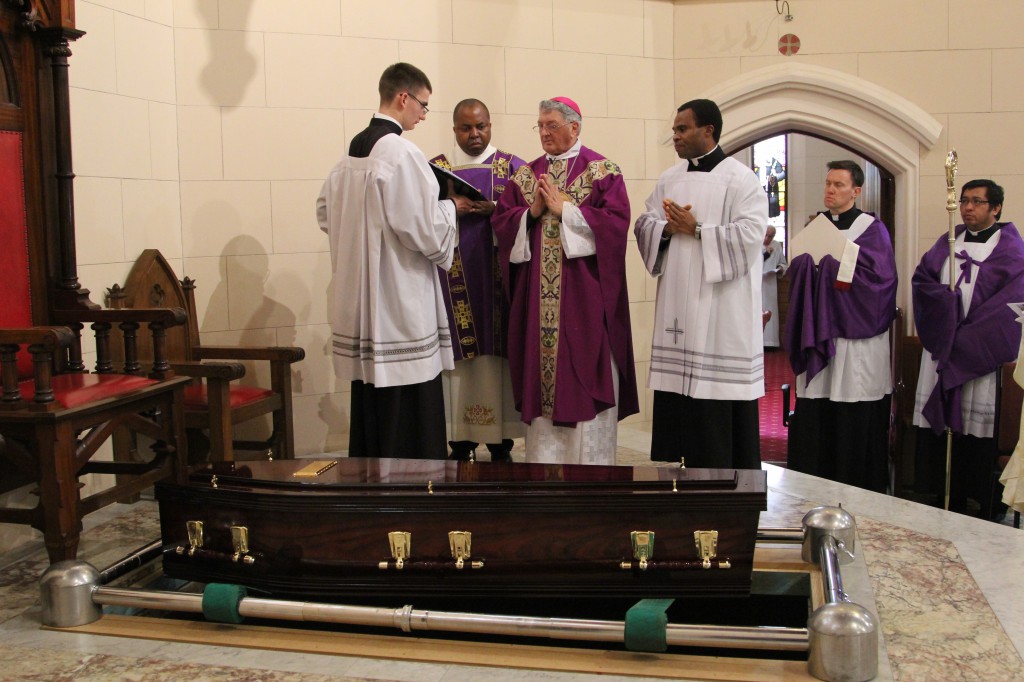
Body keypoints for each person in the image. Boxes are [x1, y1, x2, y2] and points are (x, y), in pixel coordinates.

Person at [316, 62, 473, 459]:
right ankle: (413, 486)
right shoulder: (401, 151)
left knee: (372, 397)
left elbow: (323, 212)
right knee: (408, 400)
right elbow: (420, 227)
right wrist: (452, 208)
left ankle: (370, 479)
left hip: (362, 304)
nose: (422, 115)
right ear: (403, 97)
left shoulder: (353, 149)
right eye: (422, 105)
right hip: (398, 300)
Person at [491, 97, 638, 464]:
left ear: (575, 127)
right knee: (543, 398)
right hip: (538, 309)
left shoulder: (602, 171)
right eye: (539, 125)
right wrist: (531, 213)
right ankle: (544, 480)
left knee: (587, 376)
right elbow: (503, 225)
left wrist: (566, 211)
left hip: (586, 305)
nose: (543, 132)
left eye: (551, 125)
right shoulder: (527, 176)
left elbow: (617, 227)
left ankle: (591, 478)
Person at [634, 98, 767, 469]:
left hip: (720, 309)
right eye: (674, 130)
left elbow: (751, 236)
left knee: (716, 420)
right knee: (680, 409)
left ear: (708, 130)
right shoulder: (669, 178)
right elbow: (644, 223)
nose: (674, 136)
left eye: (682, 129)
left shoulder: (741, 179)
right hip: (677, 307)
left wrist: (698, 230)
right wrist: (664, 227)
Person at [784, 160, 898, 493]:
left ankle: (855, 485)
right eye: (828, 183)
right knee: (818, 410)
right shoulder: (816, 226)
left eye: (838, 185)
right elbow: (796, 270)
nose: (830, 190)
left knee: (852, 413)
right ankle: (815, 484)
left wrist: (833, 265)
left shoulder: (872, 230)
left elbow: (880, 282)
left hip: (855, 341)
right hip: (820, 333)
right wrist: (808, 265)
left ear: (856, 191)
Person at [912, 179, 1024, 516]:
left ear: (996, 208)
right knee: (942, 432)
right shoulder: (948, 241)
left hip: (977, 358)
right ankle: (940, 495)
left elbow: (1010, 304)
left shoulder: (1012, 250)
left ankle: (980, 500)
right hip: (941, 351)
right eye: (964, 201)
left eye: (977, 202)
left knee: (975, 430)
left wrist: (966, 342)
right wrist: (941, 310)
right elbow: (922, 281)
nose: (968, 208)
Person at [428, 99, 527, 462]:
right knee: (459, 360)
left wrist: (496, 211)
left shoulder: (514, 168)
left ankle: (502, 439)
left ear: (491, 125)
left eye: (481, 126)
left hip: (498, 283)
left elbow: (531, 216)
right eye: (466, 128)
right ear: (454, 129)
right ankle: (460, 439)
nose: (475, 134)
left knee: (497, 358)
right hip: (452, 280)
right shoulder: (436, 169)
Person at [761, 226, 787, 347]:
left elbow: (783, 262)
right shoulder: (755, 242)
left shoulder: (777, 245)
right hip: (757, 283)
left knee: (771, 309)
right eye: (765, 235)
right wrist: (766, 254)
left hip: (770, 283)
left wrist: (781, 268)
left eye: (770, 236)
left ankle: (771, 343)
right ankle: (758, 342)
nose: (767, 238)